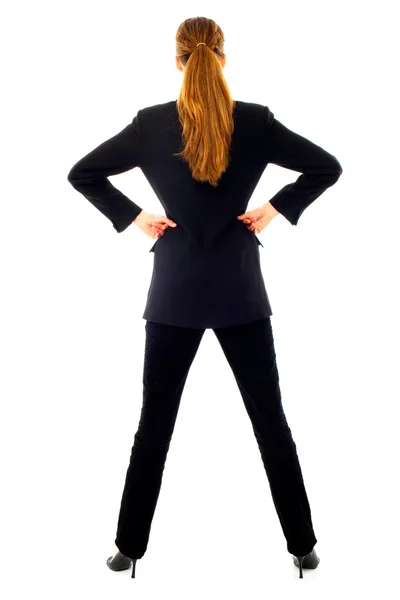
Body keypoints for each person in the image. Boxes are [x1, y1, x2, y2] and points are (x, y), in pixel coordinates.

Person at [67, 16, 342, 580]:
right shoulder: (256, 123)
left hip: (173, 293)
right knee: (271, 421)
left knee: (155, 424)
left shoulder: (150, 126)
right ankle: (304, 548)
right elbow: (326, 167)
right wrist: (278, 207)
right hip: (240, 291)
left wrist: (135, 216)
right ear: (222, 57)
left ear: (177, 61)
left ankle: (126, 550)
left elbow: (83, 174)